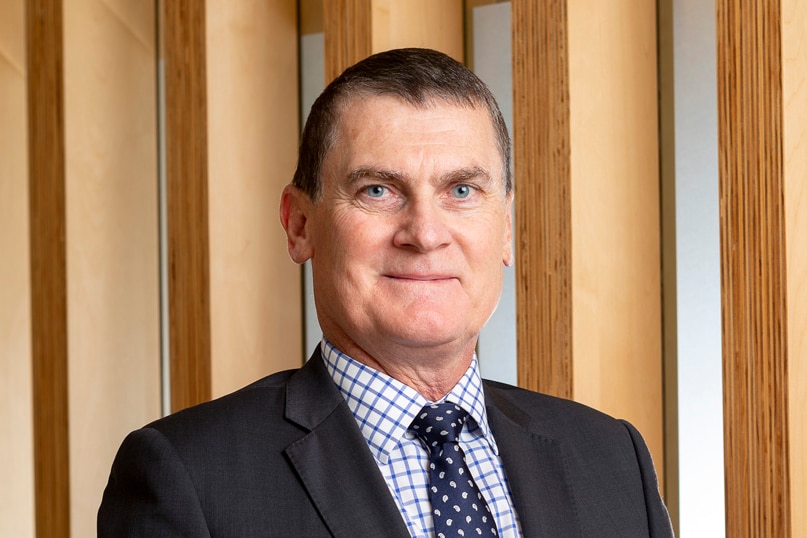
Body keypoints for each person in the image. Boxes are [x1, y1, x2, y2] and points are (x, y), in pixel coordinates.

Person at [98, 48, 673, 537]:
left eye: (462, 190)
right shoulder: (190, 477)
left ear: (505, 228)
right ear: (300, 225)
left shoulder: (611, 459)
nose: (424, 234)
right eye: (377, 190)